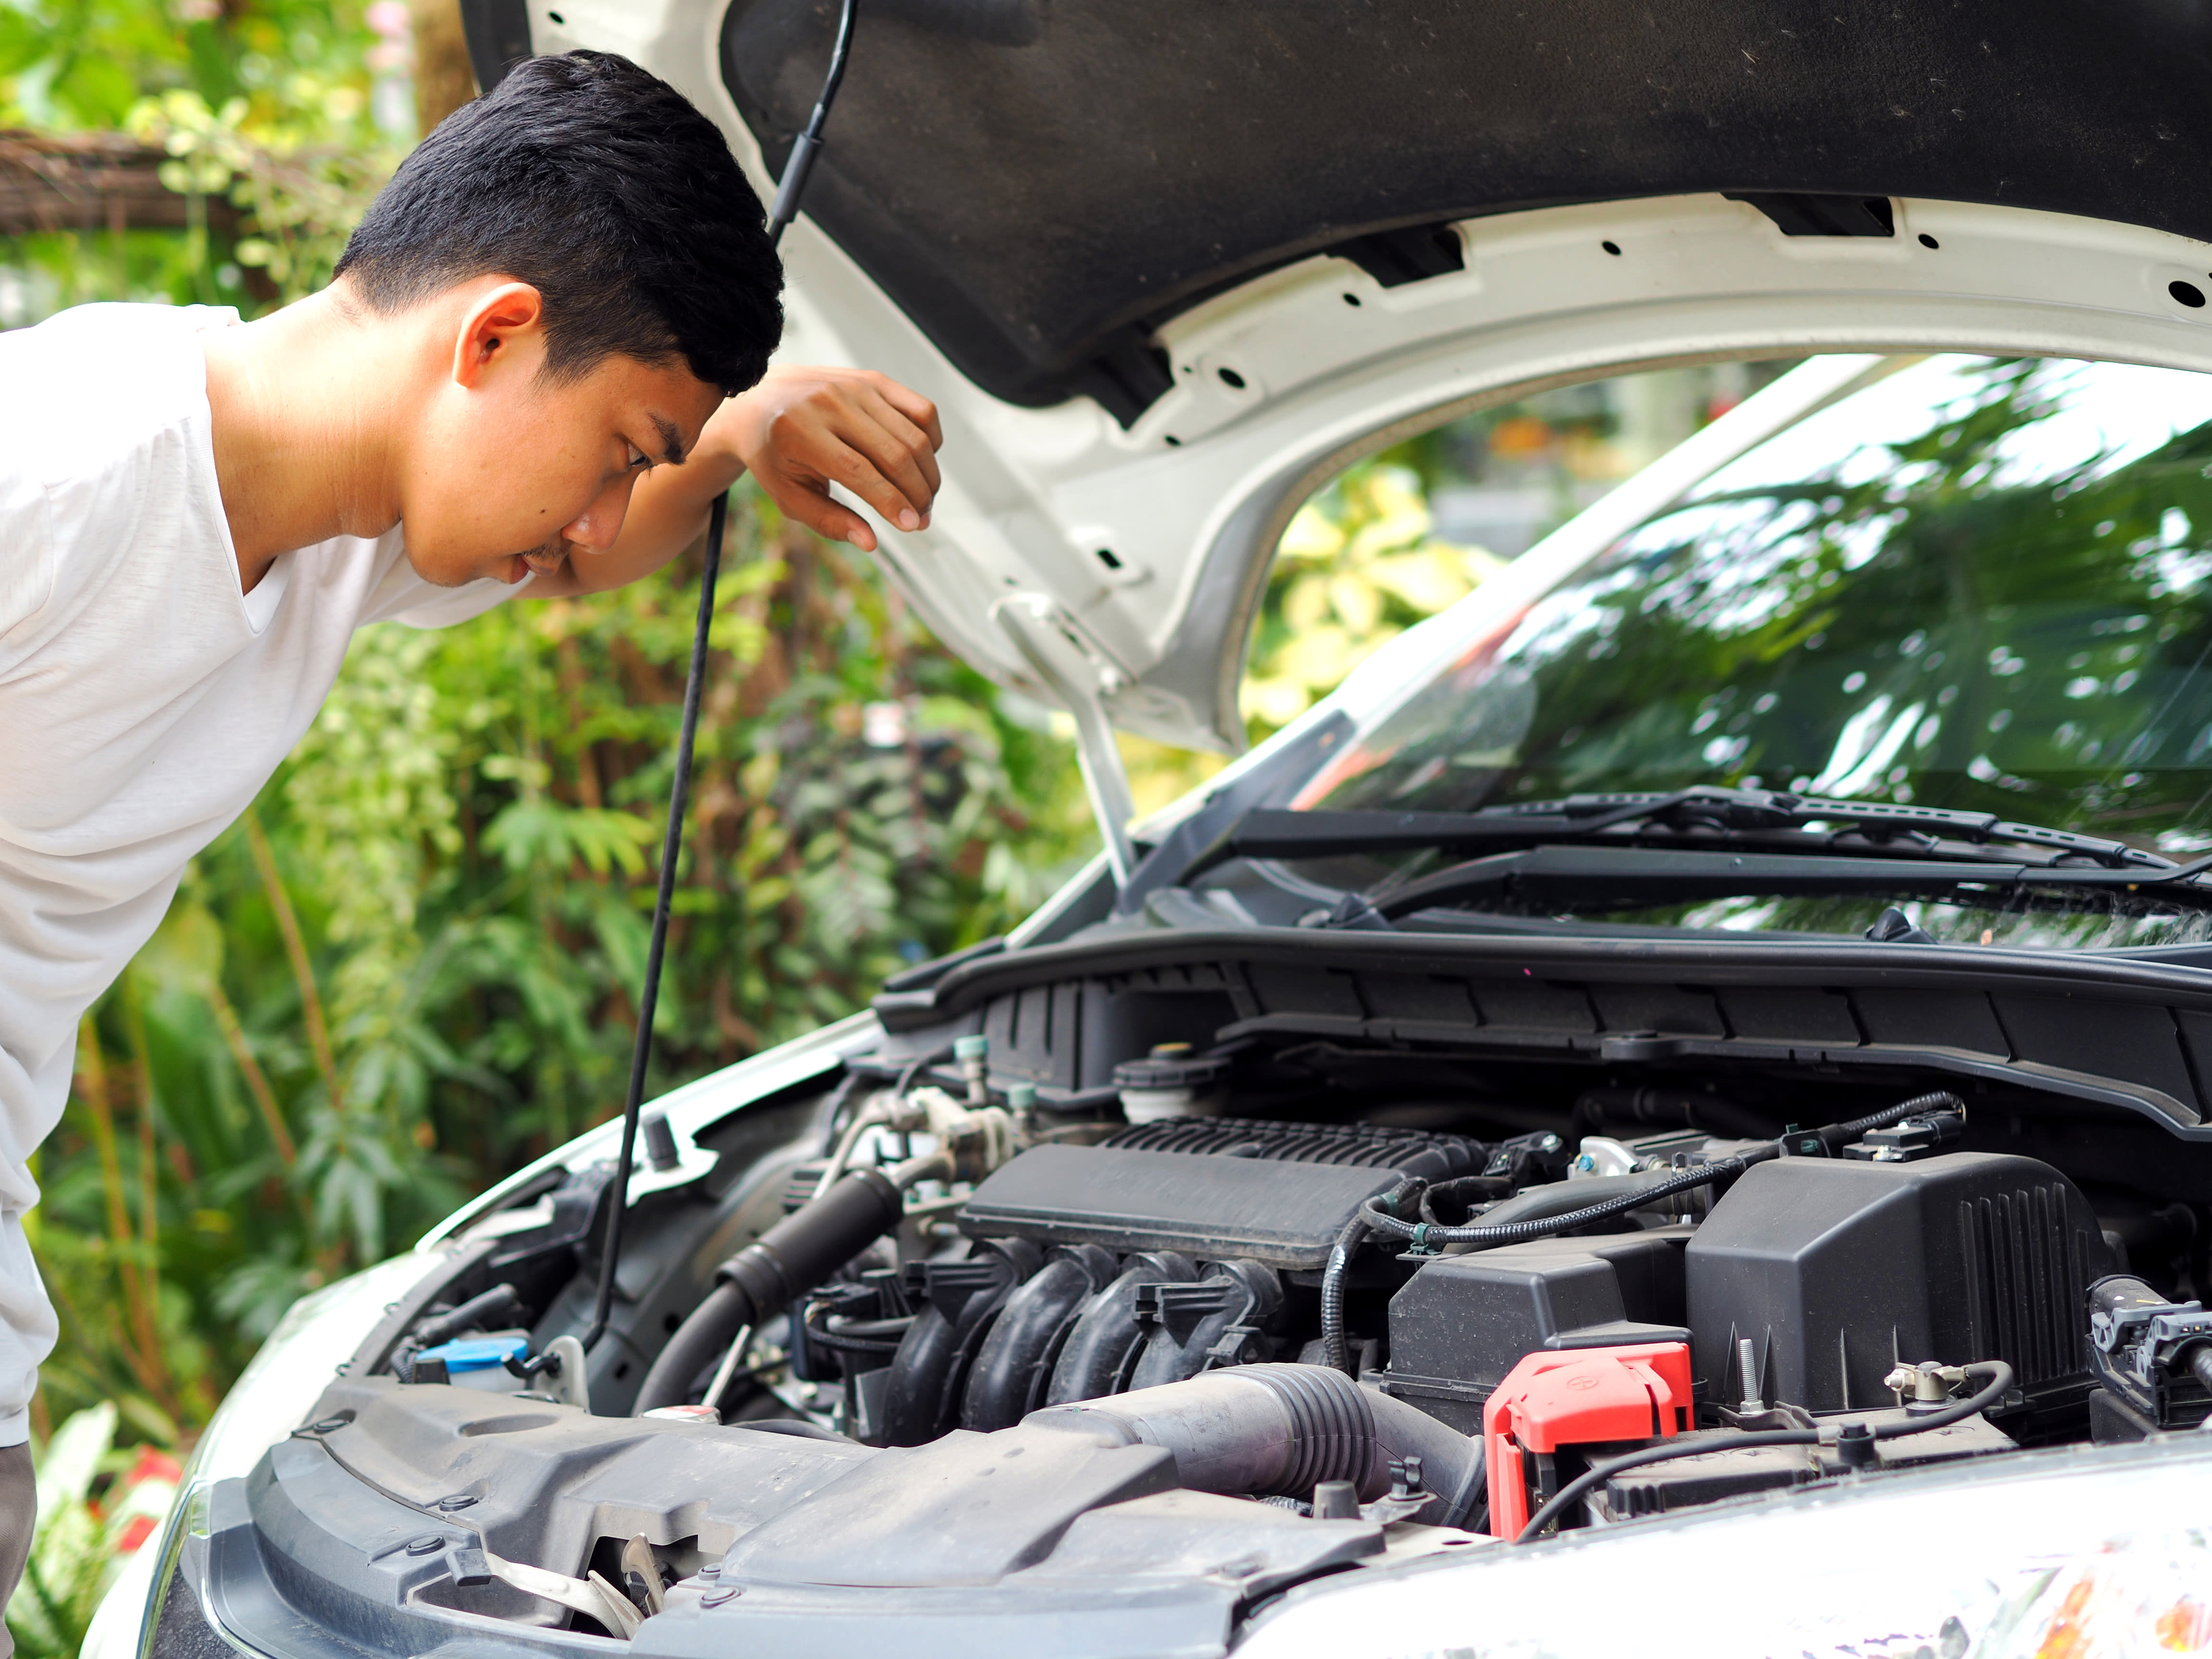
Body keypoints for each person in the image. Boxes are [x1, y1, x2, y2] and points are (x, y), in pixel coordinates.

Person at [0, 48, 942, 1623]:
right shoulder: (59, 470)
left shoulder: (332, 525)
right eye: (618, 448)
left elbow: (591, 549)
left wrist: (728, 432)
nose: (591, 524)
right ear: (495, 332)